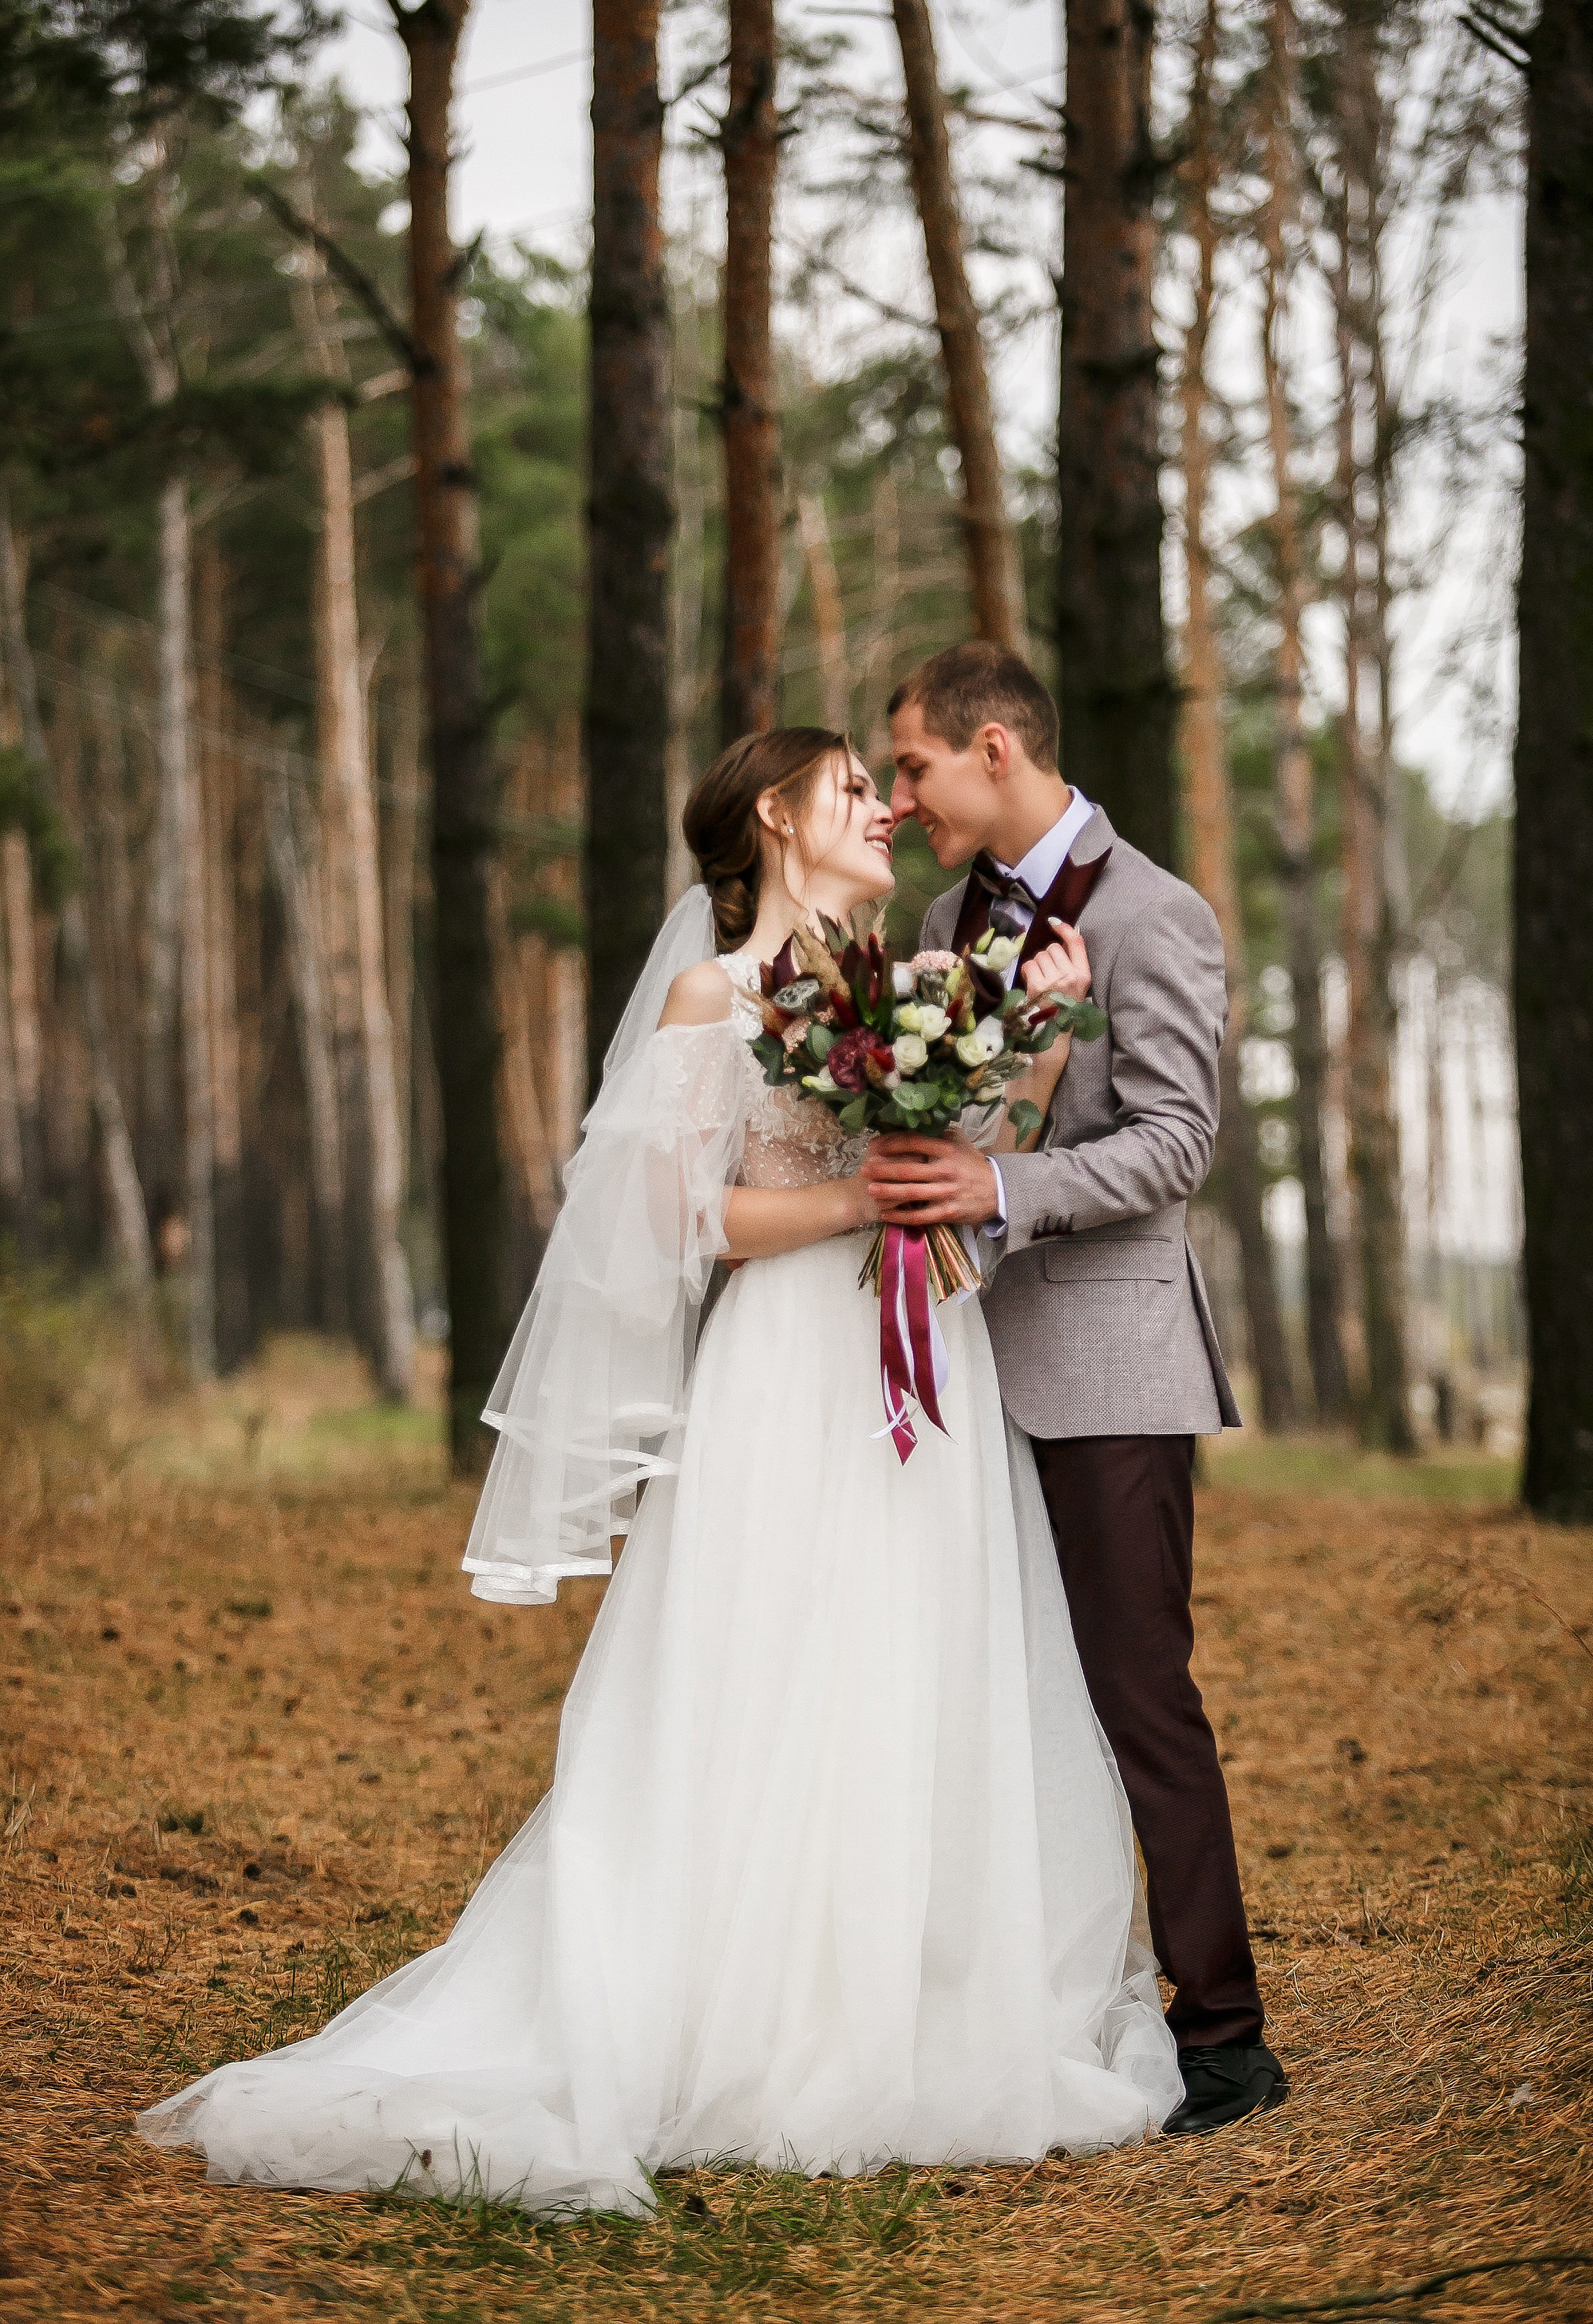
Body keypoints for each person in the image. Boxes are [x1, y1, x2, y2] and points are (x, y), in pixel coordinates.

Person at [137, 726, 1183, 2214]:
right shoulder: (718, 993)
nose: (885, 810)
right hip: (787, 1372)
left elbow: (969, 1156)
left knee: (911, 1660)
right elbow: (691, 1220)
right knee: (768, 1664)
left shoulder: (899, 986)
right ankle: (738, 2008)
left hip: (930, 1357)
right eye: (849, 792)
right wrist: (849, 1203)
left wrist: (1038, 1036)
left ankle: (901, 1998)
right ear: (775, 814)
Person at [862, 640, 1287, 2137]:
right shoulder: (938, 921)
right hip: (961, 1371)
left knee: (1135, 1698)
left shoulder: (1160, 915)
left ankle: (1226, 2030)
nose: (901, 796)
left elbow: (1177, 1142)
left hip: (1108, 1369)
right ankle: (1020, 2002)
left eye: (911, 765)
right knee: (985, 1698)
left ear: (995, 748)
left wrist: (999, 1180)